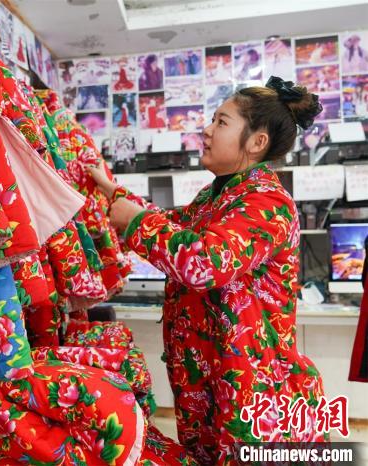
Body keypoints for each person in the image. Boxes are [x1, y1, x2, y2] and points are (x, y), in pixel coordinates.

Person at [89, 77, 326, 464]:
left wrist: (134, 223)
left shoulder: (266, 202)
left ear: (257, 142)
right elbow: (168, 223)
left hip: (250, 391)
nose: (207, 130)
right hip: (209, 383)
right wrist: (113, 192)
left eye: (221, 122)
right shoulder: (217, 196)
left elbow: (204, 262)